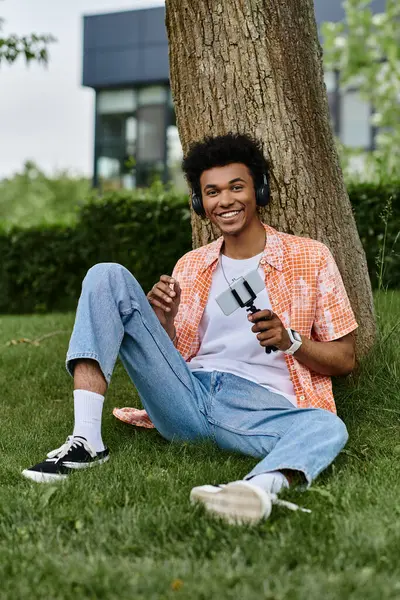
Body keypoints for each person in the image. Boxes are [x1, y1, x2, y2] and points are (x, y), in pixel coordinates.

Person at [22, 132, 358, 525]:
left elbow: (345, 358)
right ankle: (86, 441)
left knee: (328, 426)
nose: (225, 200)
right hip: (188, 394)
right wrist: (163, 319)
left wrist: (292, 341)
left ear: (259, 190)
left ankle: (258, 490)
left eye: (237, 187)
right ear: (201, 203)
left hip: (258, 407)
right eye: (212, 192)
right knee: (106, 275)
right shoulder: (192, 265)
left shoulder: (310, 257)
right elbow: (173, 360)